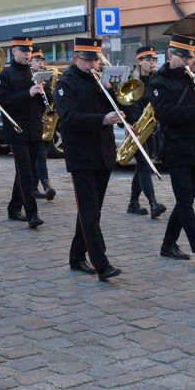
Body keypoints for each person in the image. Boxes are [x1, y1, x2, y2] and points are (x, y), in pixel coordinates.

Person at [53, 37, 124, 281]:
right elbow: (70, 118)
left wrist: (119, 101)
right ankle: (101, 264)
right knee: (90, 210)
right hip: (81, 155)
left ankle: (76, 257)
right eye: (87, 59)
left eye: (95, 59)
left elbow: (119, 107)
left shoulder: (101, 83)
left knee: (91, 210)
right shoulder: (65, 84)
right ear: (75, 59)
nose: (92, 64)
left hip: (103, 153)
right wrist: (103, 119)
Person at [148, 35, 195, 265]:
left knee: (187, 199)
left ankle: (168, 244)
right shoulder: (159, 82)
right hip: (177, 147)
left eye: (190, 57)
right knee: (185, 199)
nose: (188, 61)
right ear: (170, 56)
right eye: (183, 57)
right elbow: (166, 114)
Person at [0, 37, 45, 229]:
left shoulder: (35, 73)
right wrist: (29, 93)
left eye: (29, 51)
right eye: (23, 50)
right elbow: (5, 102)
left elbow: (43, 102)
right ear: (14, 52)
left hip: (34, 128)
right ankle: (32, 214)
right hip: (17, 129)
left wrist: (44, 90)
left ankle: (14, 207)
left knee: (25, 171)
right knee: (25, 172)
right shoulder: (6, 74)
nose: (27, 54)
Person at [126, 45, 165, 219]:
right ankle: (153, 203)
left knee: (142, 166)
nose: (152, 63)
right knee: (145, 166)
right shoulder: (131, 80)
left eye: (154, 60)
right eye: (148, 60)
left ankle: (133, 203)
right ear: (139, 61)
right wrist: (127, 123)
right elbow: (124, 104)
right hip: (136, 126)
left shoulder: (155, 79)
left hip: (149, 126)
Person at [29, 50, 57, 201]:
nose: (41, 63)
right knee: (40, 154)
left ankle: (34, 187)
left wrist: (45, 87)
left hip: (44, 120)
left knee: (40, 155)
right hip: (32, 121)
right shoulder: (27, 77)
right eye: (37, 60)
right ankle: (46, 185)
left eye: (42, 60)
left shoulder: (45, 77)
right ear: (30, 62)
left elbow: (49, 99)